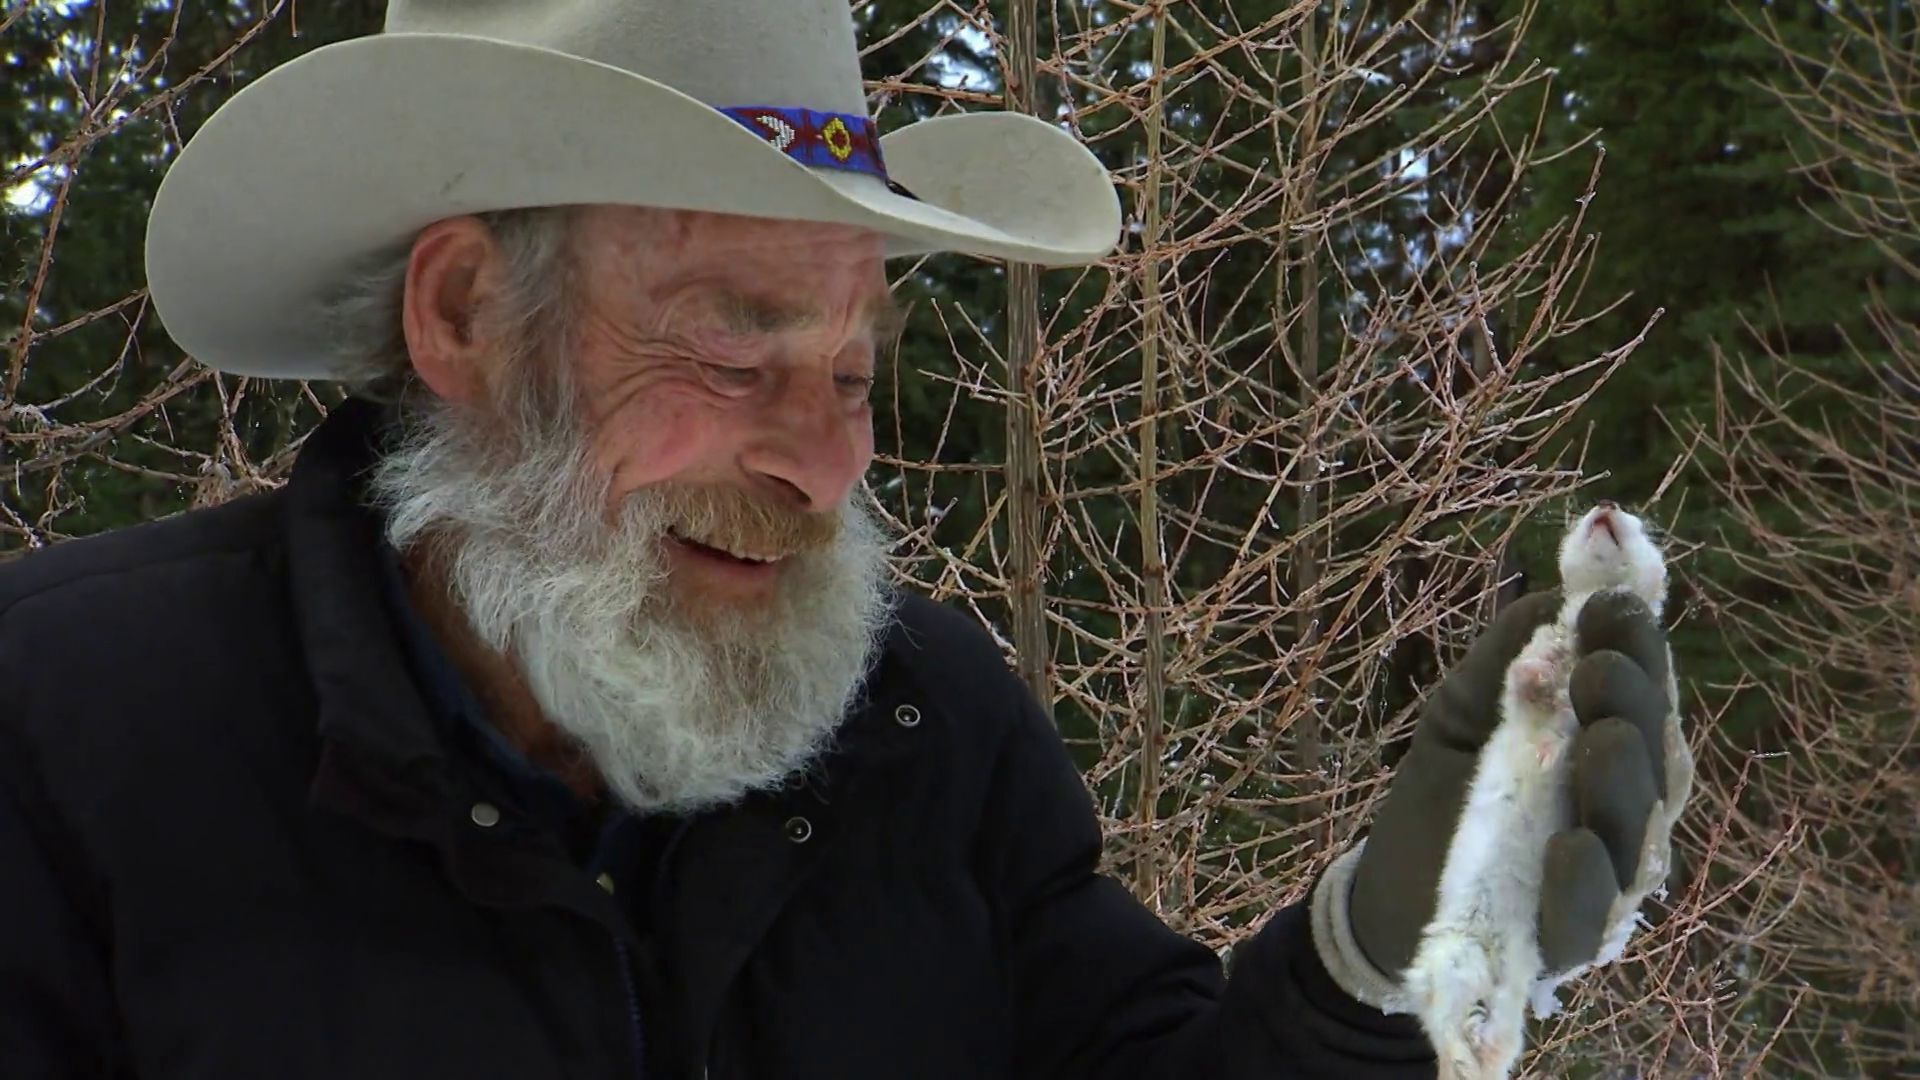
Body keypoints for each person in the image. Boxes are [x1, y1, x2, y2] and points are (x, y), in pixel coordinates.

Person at [0, 2, 1692, 1077]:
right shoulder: (64, 735)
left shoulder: (921, 726)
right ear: (465, 316)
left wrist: (1377, 965)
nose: (819, 465)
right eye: (732, 350)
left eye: (854, 370)